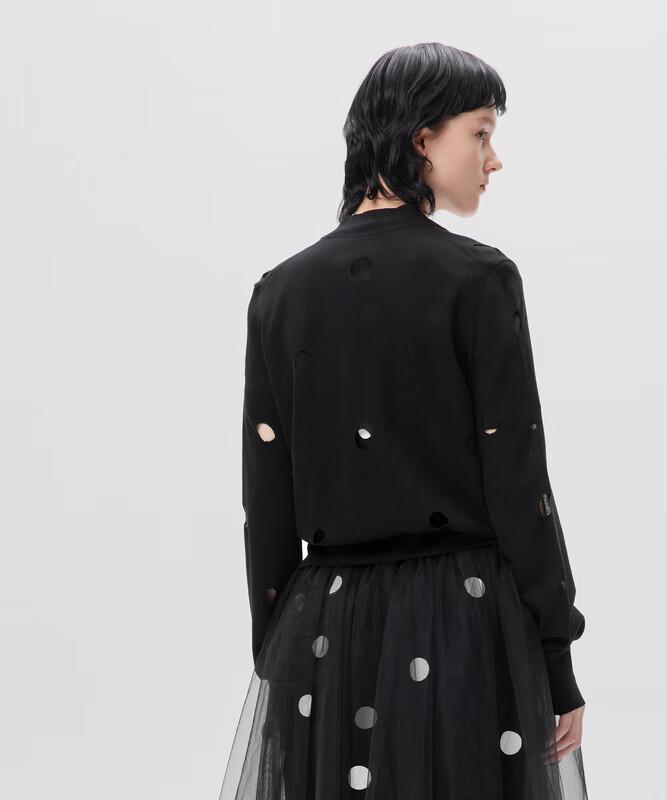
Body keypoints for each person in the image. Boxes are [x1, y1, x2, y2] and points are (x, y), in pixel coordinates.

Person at [219, 42, 588, 800]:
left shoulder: (279, 293)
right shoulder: (479, 279)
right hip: (465, 618)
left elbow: (267, 500)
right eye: (480, 133)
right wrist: (555, 659)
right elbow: (519, 483)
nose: (493, 160)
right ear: (423, 139)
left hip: (323, 629)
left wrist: (279, 662)